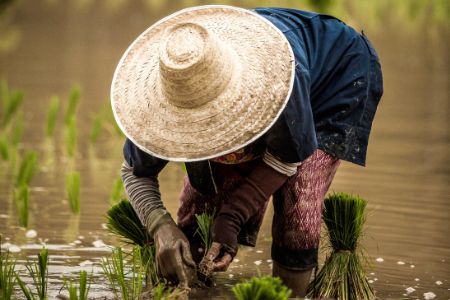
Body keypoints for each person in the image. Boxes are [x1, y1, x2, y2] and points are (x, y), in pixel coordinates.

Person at [111, 5, 383, 297]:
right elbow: (134, 171)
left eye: (211, 119)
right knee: (203, 201)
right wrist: (160, 226)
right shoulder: (162, 98)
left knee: (299, 199)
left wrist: (233, 216)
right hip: (255, 76)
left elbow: (289, 155)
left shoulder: (278, 81)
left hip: (335, 77)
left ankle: (286, 294)